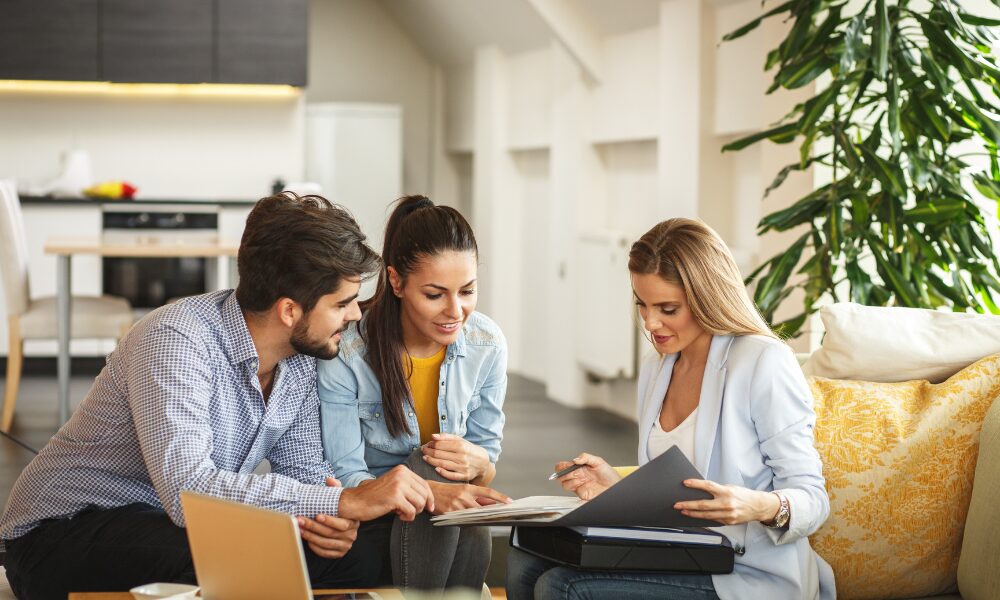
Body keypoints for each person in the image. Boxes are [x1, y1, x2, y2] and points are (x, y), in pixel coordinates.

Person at [0, 193, 436, 600]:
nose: (355, 314)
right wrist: (343, 501)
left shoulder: (302, 358)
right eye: (342, 303)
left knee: (359, 552)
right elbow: (188, 491)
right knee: (248, 553)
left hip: (171, 522)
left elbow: (305, 471)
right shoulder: (175, 339)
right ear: (289, 310)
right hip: (60, 533)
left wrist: (329, 520)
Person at [507, 218, 834, 600]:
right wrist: (618, 487)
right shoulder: (658, 365)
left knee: (563, 587)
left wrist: (756, 505)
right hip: (683, 554)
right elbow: (674, 493)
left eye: (667, 308)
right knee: (523, 560)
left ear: (706, 297)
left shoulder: (763, 362)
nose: (650, 322)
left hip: (747, 573)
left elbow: (814, 499)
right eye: (641, 304)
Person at [318, 195, 509, 594]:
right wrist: (429, 491)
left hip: (449, 520)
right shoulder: (349, 353)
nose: (455, 311)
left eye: (468, 291)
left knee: (452, 480)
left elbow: (485, 466)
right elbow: (346, 475)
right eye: (436, 295)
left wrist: (478, 463)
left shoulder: (487, 344)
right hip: (377, 512)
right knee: (426, 466)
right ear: (397, 281)